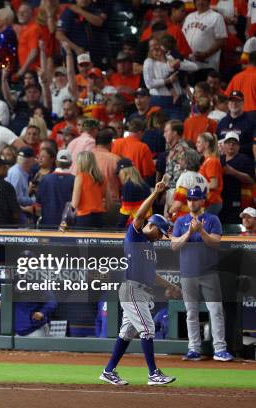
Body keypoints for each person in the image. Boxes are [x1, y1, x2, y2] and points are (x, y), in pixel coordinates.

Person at [99, 181, 181, 386]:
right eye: (161, 232)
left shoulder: (150, 247)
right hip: (131, 289)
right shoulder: (135, 236)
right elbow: (138, 216)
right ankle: (153, 373)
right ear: (151, 225)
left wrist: (169, 285)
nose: (162, 237)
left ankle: (108, 371)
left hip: (141, 290)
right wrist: (155, 193)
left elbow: (151, 275)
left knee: (127, 332)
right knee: (147, 329)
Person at [171, 186, 234, 362]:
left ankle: (220, 349)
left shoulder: (212, 219)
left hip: (208, 273)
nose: (192, 202)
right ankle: (193, 349)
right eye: (190, 199)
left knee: (216, 310)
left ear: (202, 201)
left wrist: (201, 231)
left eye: (195, 199)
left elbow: (215, 243)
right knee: (191, 313)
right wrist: (190, 233)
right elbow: (174, 245)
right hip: (188, 273)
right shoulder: (181, 221)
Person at [182, 0, 227, 79]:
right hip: (188, 63)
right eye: (198, 0)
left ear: (209, 2)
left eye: (204, 0)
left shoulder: (216, 17)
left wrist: (206, 54)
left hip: (206, 64)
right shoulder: (189, 17)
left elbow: (222, 40)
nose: (200, 3)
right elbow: (183, 36)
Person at [219, 132, 254, 223]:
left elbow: (251, 181)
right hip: (221, 201)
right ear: (224, 145)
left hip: (237, 201)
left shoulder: (244, 159)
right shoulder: (219, 159)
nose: (231, 145)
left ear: (238, 146)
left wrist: (233, 172)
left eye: (234, 143)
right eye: (228, 142)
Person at [168, 148, 209, 220]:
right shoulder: (203, 179)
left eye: (181, 159)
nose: (179, 161)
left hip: (185, 219)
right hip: (200, 219)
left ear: (187, 162)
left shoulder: (185, 177)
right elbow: (207, 203)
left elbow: (178, 203)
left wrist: (169, 213)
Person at [37, 149, 74, 228]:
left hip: (48, 224)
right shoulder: (74, 180)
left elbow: (38, 201)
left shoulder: (46, 179)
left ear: (56, 162)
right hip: (67, 226)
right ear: (70, 163)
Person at [71, 151, 108, 228]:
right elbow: (109, 203)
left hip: (83, 217)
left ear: (80, 163)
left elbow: (75, 203)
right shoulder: (102, 178)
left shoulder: (80, 177)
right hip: (99, 217)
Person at [216, 90, 255, 160]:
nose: (234, 104)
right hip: (224, 162)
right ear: (228, 103)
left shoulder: (251, 122)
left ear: (243, 103)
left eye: (237, 101)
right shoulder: (222, 122)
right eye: (231, 101)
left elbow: (253, 145)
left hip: (243, 162)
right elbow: (217, 141)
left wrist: (235, 149)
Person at [117, 159, 152, 228]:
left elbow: (125, 212)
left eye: (119, 172)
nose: (118, 175)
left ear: (124, 172)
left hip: (133, 226)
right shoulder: (144, 185)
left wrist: (118, 228)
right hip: (146, 224)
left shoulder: (128, 187)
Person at [196, 132, 224, 215]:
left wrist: (196, 186)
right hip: (207, 201)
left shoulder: (212, 161)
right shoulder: (206, 160)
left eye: (199, 142)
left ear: (206, 144)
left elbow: (214, 184)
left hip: (212, 201)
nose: (196, 144)